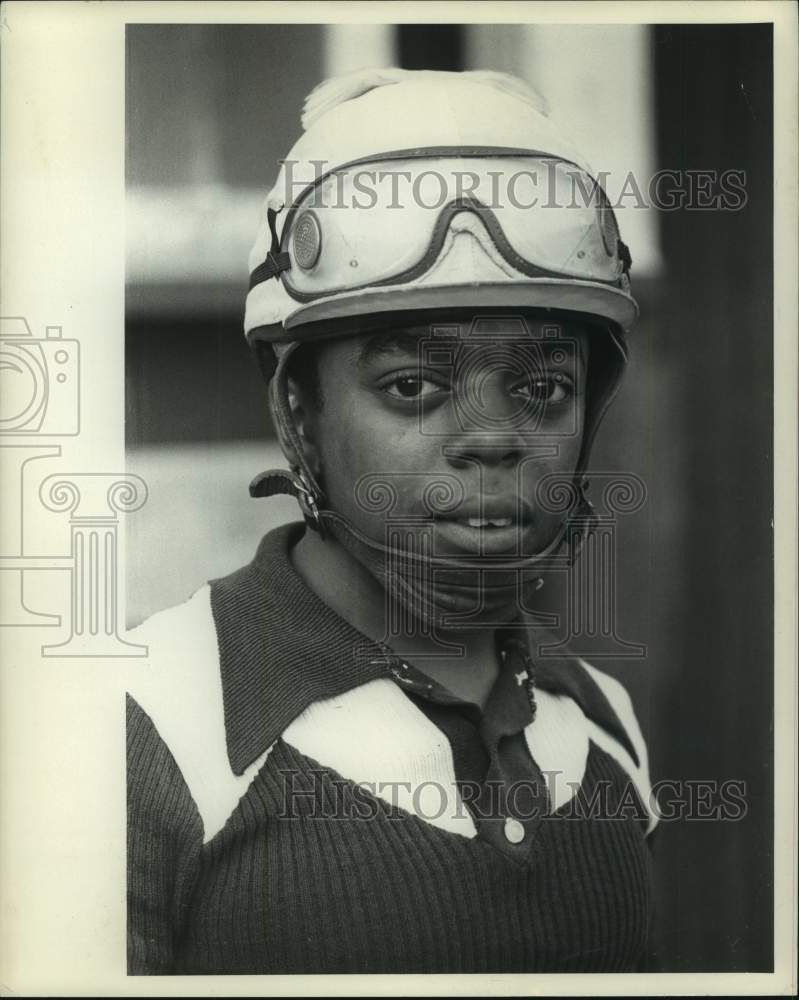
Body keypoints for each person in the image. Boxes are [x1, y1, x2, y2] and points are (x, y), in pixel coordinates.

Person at [126, 68, 658, 975]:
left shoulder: (604, 721)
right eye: (413, 387)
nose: (490, 439)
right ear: (299, 410)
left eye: (541, 388)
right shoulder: (146, 727)